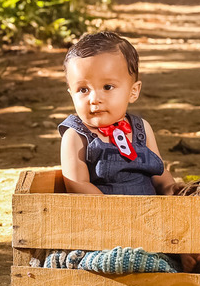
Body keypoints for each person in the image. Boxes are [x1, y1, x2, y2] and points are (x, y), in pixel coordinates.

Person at [59, 31, 179, 196]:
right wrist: (115, 209)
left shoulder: (141, 129)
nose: (94, 99)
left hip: (150, 209)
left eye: (107, 87)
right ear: (71, 94)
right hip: (101, 210)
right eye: (83, 89)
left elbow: (157, 172)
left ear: (133, 92)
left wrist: (170, 188)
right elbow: (78, 185)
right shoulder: (76, 136)